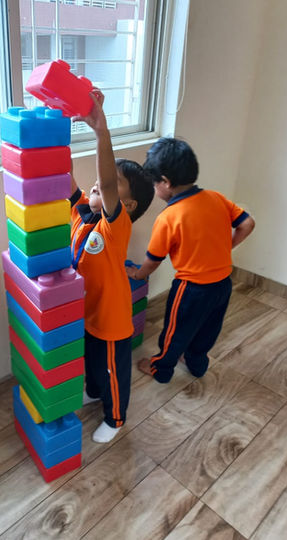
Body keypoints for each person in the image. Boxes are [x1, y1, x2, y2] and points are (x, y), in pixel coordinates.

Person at [126, 137, 255, 384]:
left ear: (165, 182)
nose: (155, 189)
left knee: (175, 332)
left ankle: (161, 369)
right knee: (208, 329)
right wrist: (226, 248)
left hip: (191, 289)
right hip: (222, 284)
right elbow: (247, 224)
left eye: (154, 183)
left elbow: (153, 260)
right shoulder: (216, 198)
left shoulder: (169, 217)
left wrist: (138, 274)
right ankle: (197, 364)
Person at [70, 89, 154, 443]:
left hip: (110, 317)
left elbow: (104, 182)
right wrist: (59, 128)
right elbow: (63, 174)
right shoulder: (81, 213)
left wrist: (101, 132)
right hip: (87, 311)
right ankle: (93, 391)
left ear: (128, 204)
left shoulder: (115, 226)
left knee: (112, 372)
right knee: (91, 363)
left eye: (114, 184)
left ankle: (116, 417)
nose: (98, 183)